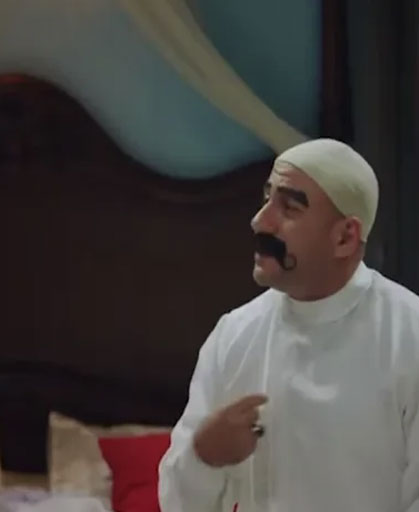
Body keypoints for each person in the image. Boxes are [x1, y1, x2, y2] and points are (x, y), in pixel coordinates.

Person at [158, 138, 419, 511]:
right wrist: (203, 458)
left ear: (344, 237)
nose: (260, 221)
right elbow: (177, 505)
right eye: (267, 199)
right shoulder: (235, 335)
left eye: (290, 207)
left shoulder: (410, 335)